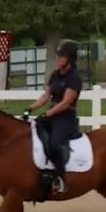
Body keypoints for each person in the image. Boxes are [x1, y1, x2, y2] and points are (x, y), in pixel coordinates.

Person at [26, 41, 83, 200]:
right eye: (58, 55)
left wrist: (49, 113)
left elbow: (66, 102)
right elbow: (46, 96)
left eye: (61, 56)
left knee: (55, 143)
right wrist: (29, 109)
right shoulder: (55, 75)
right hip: (52, 115)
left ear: (70, 58)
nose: (58, 59)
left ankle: (60, 177)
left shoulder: (74, 78)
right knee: (32, 131)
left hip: (65, 117)